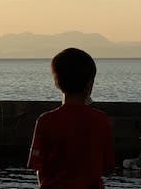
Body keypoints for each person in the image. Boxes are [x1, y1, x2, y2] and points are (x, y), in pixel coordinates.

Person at [27, 47, 114, 188]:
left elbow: (38, 167)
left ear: (57, 83)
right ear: (89, 84)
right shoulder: (100, 120)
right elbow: (108, 168)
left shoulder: (45, 121)